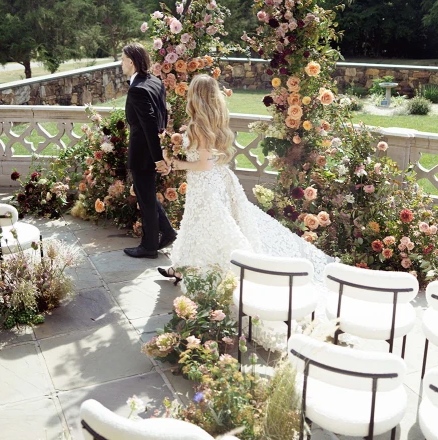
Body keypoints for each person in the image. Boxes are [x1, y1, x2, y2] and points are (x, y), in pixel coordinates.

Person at [157, 73, 331, 282]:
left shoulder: (198, 126)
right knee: (195, 226)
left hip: (205, 185)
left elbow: (204, 163)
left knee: (209, 228)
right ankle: (181, 268)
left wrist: (176, 164)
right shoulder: (212, 121)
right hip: (212, 181)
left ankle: (229, 271)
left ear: (196, 96)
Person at [121, 43, 177, 259]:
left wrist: (157, 159)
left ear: (132, 62)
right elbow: (163, 114)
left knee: (145, 200)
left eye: (123, 59)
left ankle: (149, 246)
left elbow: (150, 124)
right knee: (147, 195)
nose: (121, 63)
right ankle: (168, 232)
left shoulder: (137, 90)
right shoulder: (154, 81)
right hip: (150, 151)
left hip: (143, 155)